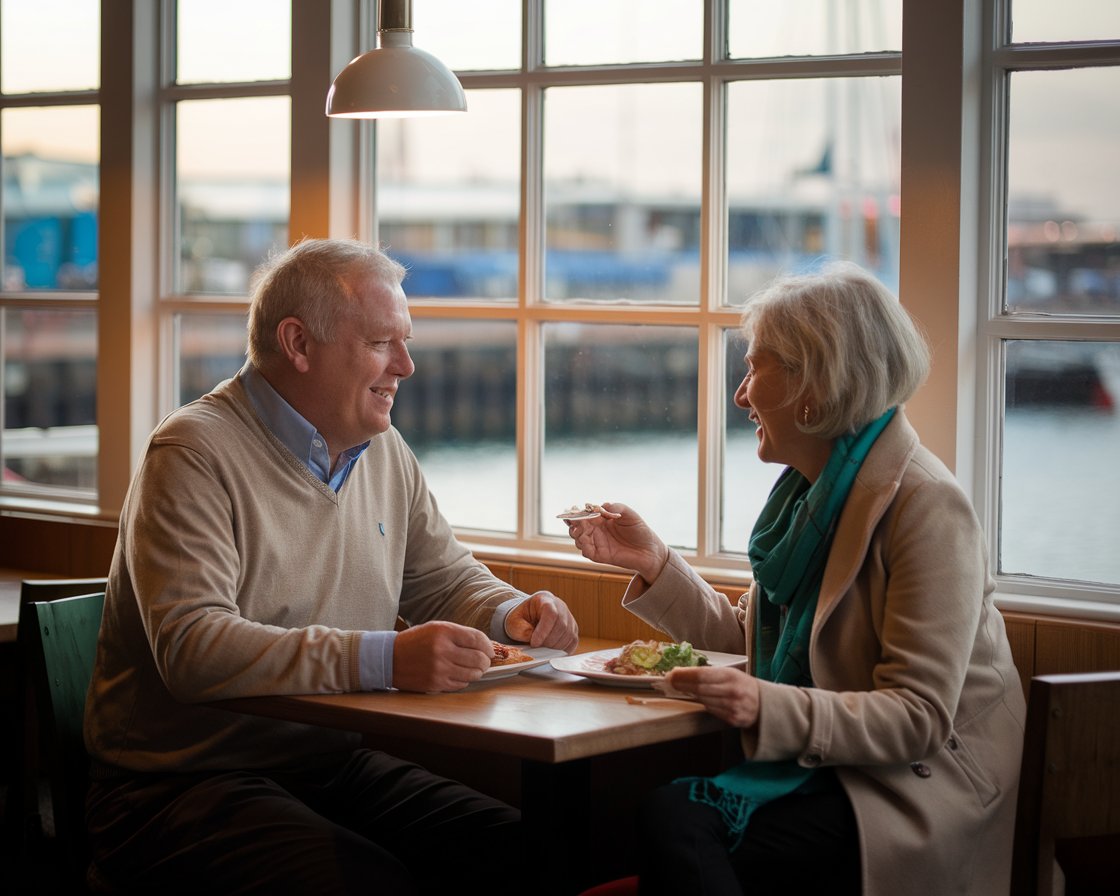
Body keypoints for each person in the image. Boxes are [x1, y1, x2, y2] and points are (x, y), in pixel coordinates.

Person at [84, 238, 579, 894]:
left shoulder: (380, 447)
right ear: (298, 344)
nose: (405, 364)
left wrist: (511, 611)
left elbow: (441, 577)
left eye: (404, 342)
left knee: (525, 853)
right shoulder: (192, 452)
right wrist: (384, 659)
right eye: (381, 343)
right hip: (170, 787)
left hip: (324, 763)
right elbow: (193, 650)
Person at [566, 262, 1026, 896]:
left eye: (755, 368)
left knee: (672, 819)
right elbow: (752, 644)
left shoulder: (926, 505)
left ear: (814, 381)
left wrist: (763, 704)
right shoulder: (810, 501)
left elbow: (918, 718)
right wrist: (653, 562)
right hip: (830, 773)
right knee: (662, 817)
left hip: (913, 792)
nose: (741, 393)